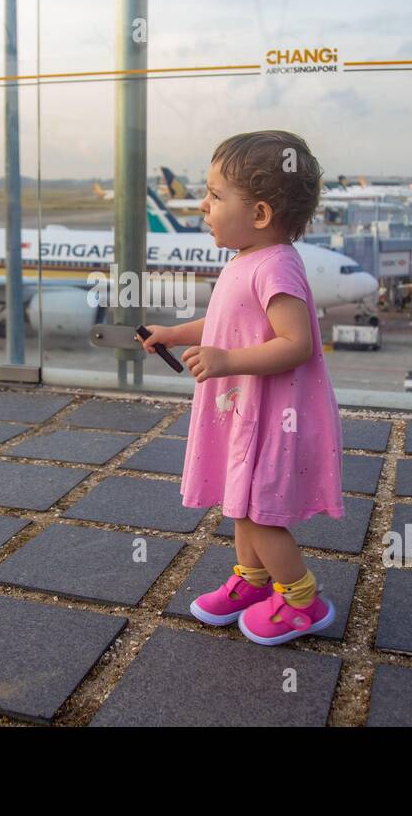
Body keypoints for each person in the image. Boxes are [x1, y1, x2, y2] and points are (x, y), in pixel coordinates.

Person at [137, 130, 344, 645]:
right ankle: (253, 582)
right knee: (242, 504)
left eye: (215, 195)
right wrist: (173, 332)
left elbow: (296, 343)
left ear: (259, 215)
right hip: (243, 412)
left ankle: (302, 601)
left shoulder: (277, 266)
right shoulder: (246, 259)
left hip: (273, 417)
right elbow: (223, 322)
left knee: (261, 512)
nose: (202, 206)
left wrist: (228, 360)